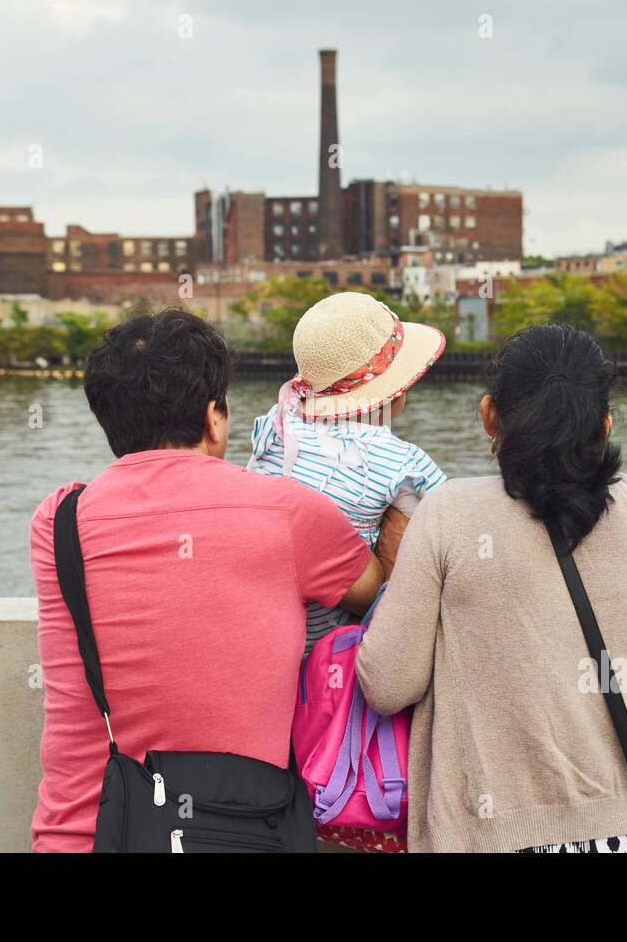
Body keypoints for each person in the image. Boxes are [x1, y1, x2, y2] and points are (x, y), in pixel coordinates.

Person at [29, 309, 384, 852]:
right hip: (240, 835)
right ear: (214, 418)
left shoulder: (59, 521)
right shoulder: (289, 512)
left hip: (81, 838)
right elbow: (376, 590)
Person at [355, 323, 627, 853]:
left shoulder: (451, 513)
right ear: (605, 425)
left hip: (489, 838)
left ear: (489, 416)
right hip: (625, 833)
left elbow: (389, 683)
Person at [247, 291, 447, 653]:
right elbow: (452, 529)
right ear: (395, 391)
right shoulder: (400, 462)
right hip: (340, 651)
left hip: (269, 636)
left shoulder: (274, 427)